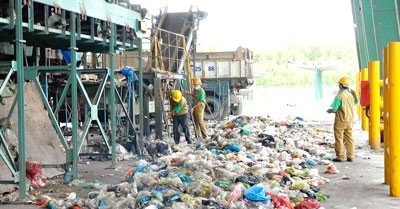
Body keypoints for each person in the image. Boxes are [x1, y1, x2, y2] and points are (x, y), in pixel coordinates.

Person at [327, 76, 358, 162]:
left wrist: (329, 111)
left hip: (341, 121)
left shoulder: (339, 96)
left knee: (339, 138)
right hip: (350, 120)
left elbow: (334, 109)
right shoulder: (351, 95)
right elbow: (356, 102)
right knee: (349, 138)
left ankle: (340, 156)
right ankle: (350, 156)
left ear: (341, 85)